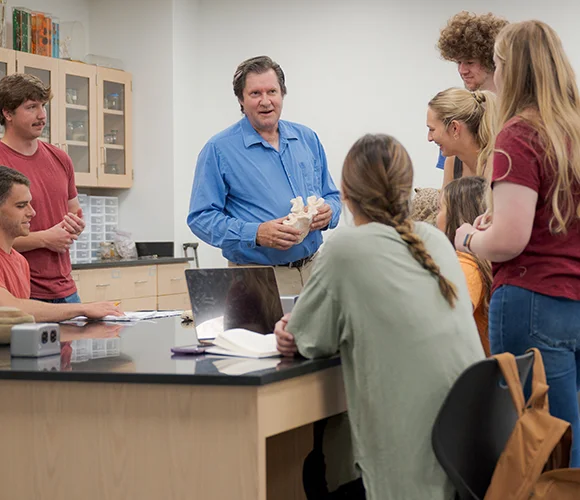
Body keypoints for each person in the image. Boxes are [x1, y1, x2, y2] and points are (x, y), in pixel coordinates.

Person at [275, 134, 484, 499]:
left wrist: (290, 328)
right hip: (468, 460)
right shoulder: (435, 241)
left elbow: (309, 339)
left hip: (411, 474)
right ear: (409, 189)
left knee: (313, 470)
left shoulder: (345, 248)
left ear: (344, 192)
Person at [455, 20, 580, 467]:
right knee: (575, 437)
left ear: (510, 69)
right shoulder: (574, 131)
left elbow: (509, 242)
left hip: (533, 302)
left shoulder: (519, 134)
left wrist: (470, 237)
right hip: (574, 298)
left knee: (540, 447)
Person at [187, 56, 341, 295]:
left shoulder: (307, 139)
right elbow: (201, 219)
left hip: (314, 272)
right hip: (257, 279)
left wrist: (330, 212)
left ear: (282, 94)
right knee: (260, 336)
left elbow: (331, 194)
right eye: (255, 93)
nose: (265, 101)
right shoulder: (218, 150)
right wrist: (256, 233)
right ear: (241, 99)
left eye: (272, 91)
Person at [0, 73, 84, 303]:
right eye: (31, 107)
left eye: (43, 106)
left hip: (66, 290)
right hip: (21, 292)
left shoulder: (60, 158)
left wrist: (75, 226)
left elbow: (74, 211)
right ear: (7, 113)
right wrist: (46, 239)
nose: (42, 115)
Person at [0, 166, 122, 322]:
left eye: (30, 204)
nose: (32, 213)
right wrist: (83, 308)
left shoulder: (20, 262)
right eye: (21, 206)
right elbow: (8, 310)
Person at [435, 11, 508, 175]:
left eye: (469, 62)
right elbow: (451, 183)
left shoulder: (516, 113)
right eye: (458, 62)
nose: (462, 70)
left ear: (491, 60)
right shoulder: (458, 114)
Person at [437, 176, 492, 356]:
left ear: (456, 216)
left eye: (440, 209)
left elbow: (448, 321)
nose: (435, 217)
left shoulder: (467, 265)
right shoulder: (485, 261)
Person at [427, 87, 497, 188]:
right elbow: (444, 203)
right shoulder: (452, 162)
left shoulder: (496, 164)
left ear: (455, 128)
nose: (429, 138)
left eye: (432, 129)